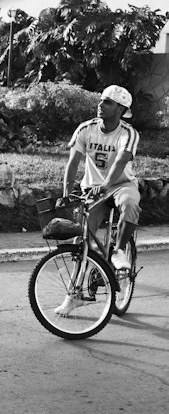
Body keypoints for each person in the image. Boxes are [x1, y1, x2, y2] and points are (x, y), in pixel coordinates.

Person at [55, 85, 141, 315]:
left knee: (131, 203)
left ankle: (119, 251)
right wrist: (66, 193)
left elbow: (121, 161)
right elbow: (73, 163)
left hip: (121, 184)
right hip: (92, 190)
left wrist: (105, 185)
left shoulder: (128, 133)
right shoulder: (86, 129)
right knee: (79, 242)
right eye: (101, 100)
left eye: (108, 102)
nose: (100, 105)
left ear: (121, 109)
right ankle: (74, 295)